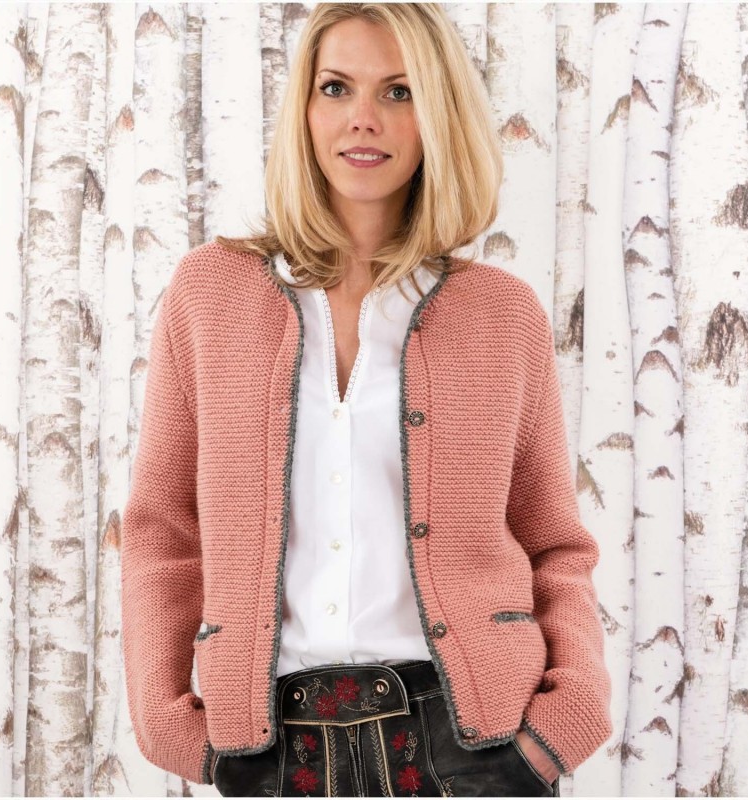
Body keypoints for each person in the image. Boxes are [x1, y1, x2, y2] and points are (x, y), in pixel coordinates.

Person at [120, 3, 612, 797]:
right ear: (304, 108)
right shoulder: (210, 294)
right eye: (336, 87)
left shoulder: (502, 314)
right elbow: (161, 531)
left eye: (398, 91)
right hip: (274, 752)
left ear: (438, 114)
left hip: (473, 747)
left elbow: (554, 542)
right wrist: (167, 720)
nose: (363, 118)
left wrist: (567, 718)